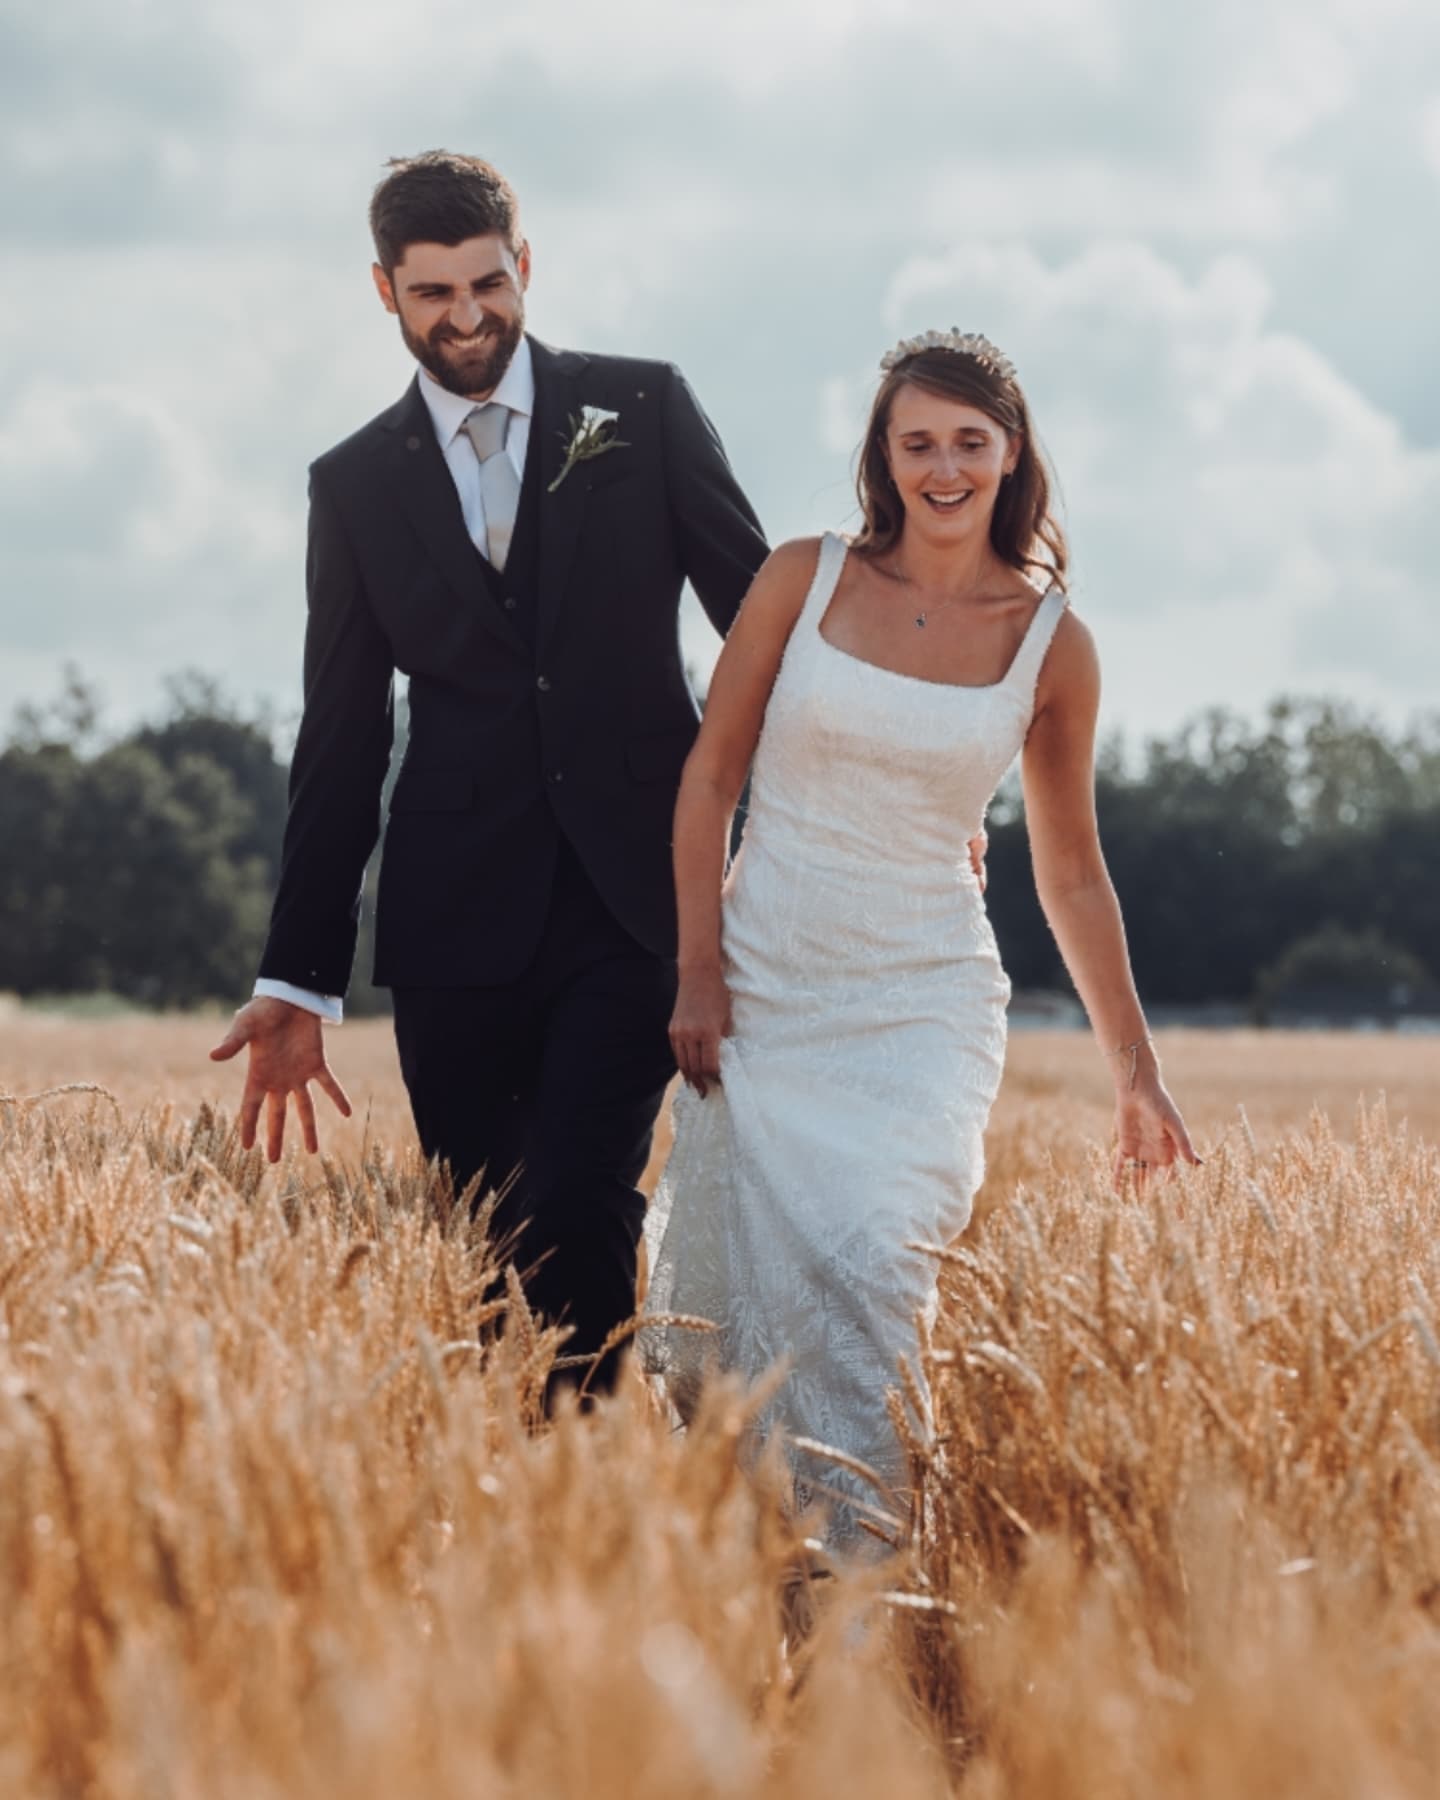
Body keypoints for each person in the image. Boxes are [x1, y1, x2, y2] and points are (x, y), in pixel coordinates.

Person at [210, 150, 770, 1395]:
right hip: (452, 915)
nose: (467, 318)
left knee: (579, 1196)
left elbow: (761, 629)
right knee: (490, 1227)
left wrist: (878, 793)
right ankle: (521, 1480)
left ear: (526, 265)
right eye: (433, 294)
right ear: (384, 292)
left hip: (638, 896)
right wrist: (297, 976)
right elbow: (342, 734)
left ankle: (583, 1466)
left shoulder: (643, 408)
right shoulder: (353, 485)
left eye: (488, 284)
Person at [642, 329, 1197, 1541]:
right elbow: (710, 778)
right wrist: (698, 971)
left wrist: (1136, 1071)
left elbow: (1072, 871)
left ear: (1012, 455)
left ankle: (874, 1583)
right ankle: (759, 1570)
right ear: (883, 458)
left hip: (923, 1007)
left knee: (878, 1263)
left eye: (969, 443)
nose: (944, 468)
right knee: (731, 1324)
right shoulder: (803, 578)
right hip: (764, 990)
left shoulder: (1054, 644)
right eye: (918, 444)